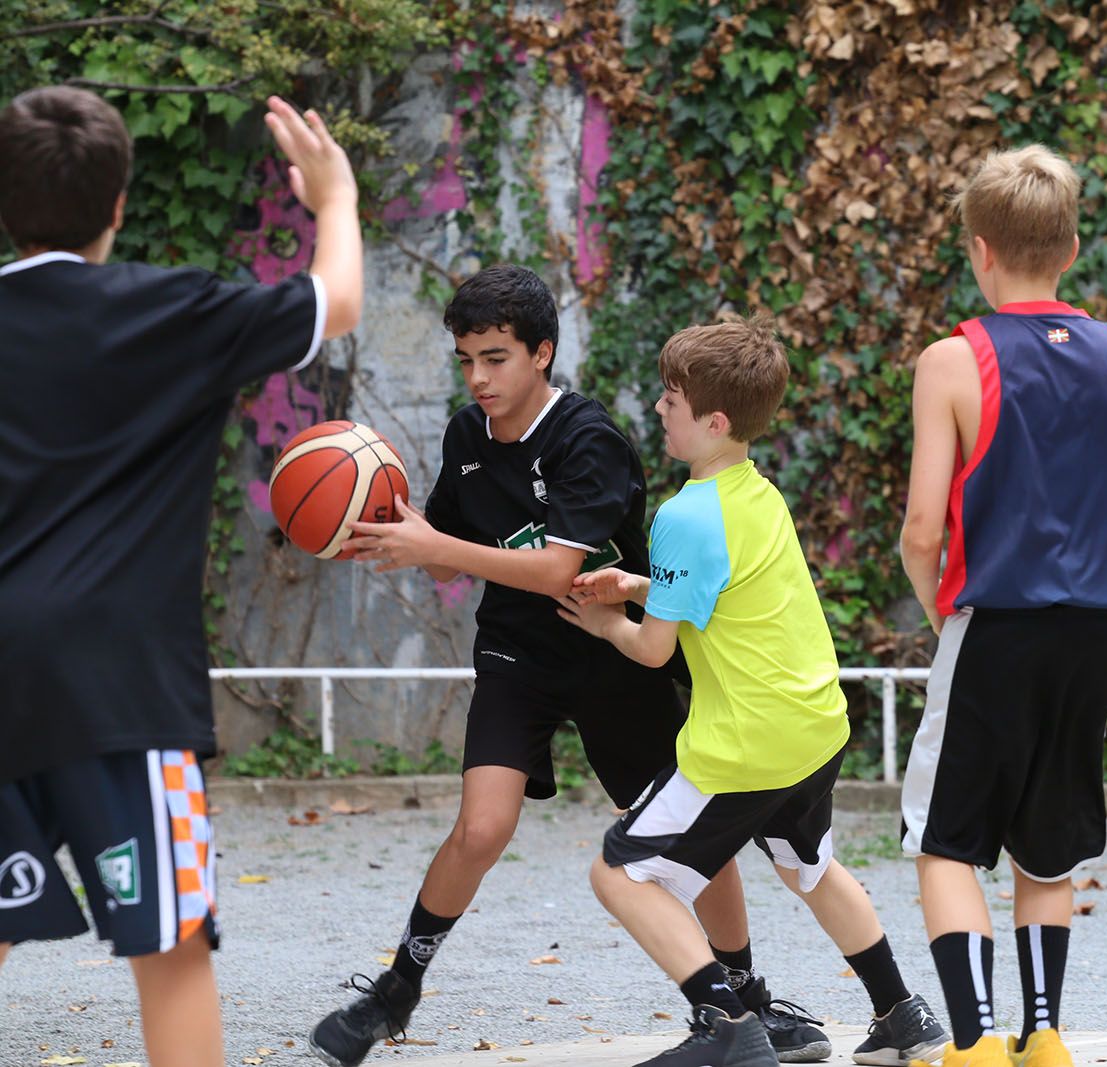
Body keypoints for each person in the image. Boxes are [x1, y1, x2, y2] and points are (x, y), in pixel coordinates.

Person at [313, 267, 822, 1065]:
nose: (478, 377)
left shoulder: (590, 440)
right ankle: (395, 991)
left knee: (690, 836)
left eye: (496, 358)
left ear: (542, 353)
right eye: (465, 360)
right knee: (482, 826)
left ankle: (743, 998)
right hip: (517, 651)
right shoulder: (465, 437)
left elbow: (557, 569)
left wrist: (434, 546)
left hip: (614, 649)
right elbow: (450, 549)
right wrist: (386, 532)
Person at [0, 87, 361, 1067]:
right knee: (171, 944)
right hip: (123, 685)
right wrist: (334, 198)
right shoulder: (173, 310)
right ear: (120, 201)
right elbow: (335, 301)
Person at [559, 312, 948, 1067]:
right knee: (811, 866)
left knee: (619, 872)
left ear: (713, 418)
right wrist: (641, 581)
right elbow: (724, 587)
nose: (660, 411)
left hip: (745, 745)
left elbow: (652, 647)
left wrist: (603, 620)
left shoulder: (682, 514)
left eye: (671, 401)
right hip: (815, 729)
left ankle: (727, 1026)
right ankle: (903, 1016)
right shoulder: (755, 492)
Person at [897, 145, 1107, 1067]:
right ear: (1070, 249)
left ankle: (975, 1041)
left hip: (998, 619)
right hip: (1099, 628)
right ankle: (1044, 1036)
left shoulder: (951, 361)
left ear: (979, 250)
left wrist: (943, 606)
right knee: (1048, 834)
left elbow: (920, 528)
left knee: (945, 838)